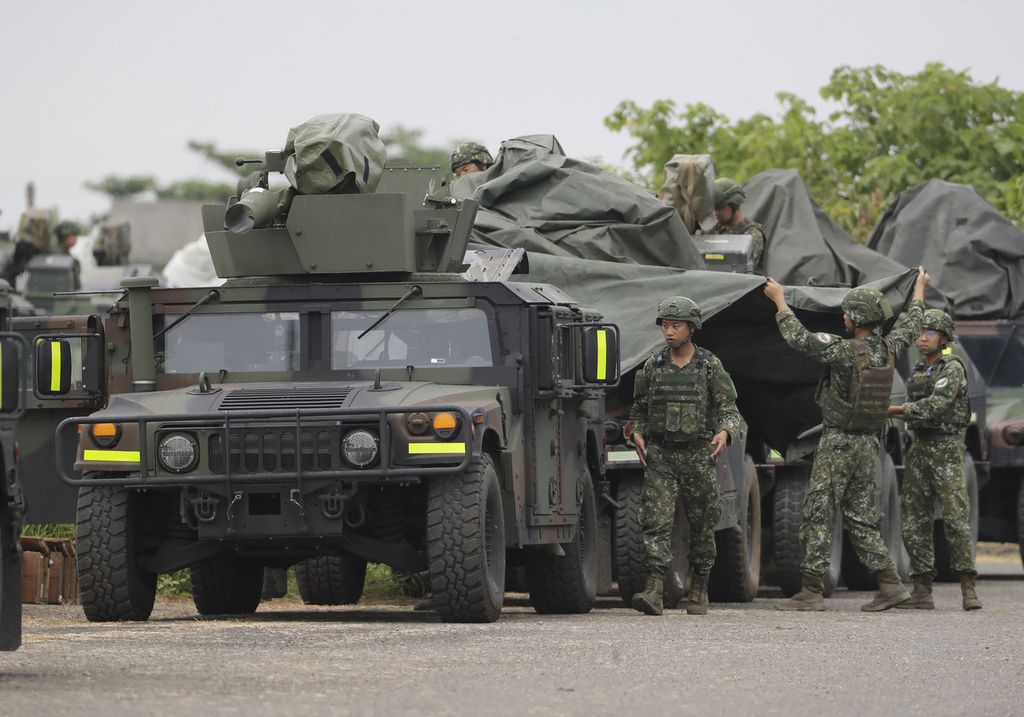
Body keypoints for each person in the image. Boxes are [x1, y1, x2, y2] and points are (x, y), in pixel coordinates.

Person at [764, 267, 929, 611]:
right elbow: (912, 323)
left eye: (847, 313)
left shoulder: (843, 351)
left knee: (818, 513)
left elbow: (800, 340)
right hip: (870, 444)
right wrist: (919, 289)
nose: (842, 317)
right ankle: (889, 584)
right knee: (860, 517)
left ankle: (810, 591)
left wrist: (779, 300)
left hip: (838, 444)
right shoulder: (889, 347)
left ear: (857, 318)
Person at [629, 296, 742, 616]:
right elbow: (639, 408)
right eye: (664, 325)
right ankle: (654, 589)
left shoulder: (709, 365)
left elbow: (729, 409)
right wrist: (636, 431)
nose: (668, 331)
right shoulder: (654, 365)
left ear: (691, 328)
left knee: (703, 524)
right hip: (662, 455)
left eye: (675, 325)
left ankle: (701, 588)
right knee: (655, 522)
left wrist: (725, 432)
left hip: (698, 456)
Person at [888, 309, 981, 610]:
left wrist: (895, 411)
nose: (923, 337)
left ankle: (968, 588)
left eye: (930, 332)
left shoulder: (952, 367)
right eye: (921, 332)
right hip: (920, 448)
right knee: (914, 519)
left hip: (946, 450)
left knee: (955, 520)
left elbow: (936, 406)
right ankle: (922, 588)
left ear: (943, 337)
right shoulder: (918, 369)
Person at [709, 178, 768, 274]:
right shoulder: (715, 230)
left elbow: (744, 270)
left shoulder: (752, 235)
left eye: (719, 208)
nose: (716, 213)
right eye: (714, 208)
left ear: (733, 204)